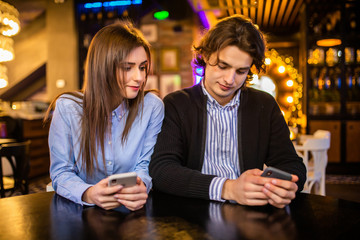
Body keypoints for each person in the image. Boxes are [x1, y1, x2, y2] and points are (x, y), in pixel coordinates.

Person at [149, 15, 306, 208]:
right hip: (193, 213)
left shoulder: (264, 105)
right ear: (205, 55)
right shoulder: (177, 104)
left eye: (241, 71)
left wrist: (286, 186)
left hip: (250, 214)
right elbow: (162, 170)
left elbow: (292, 164)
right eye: (222, 66)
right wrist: (228, 188)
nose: (230, 80)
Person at [45, 21, 164, 211]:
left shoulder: (151, 107)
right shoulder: (68, 108)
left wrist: (142, 185)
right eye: (127, 68)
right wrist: (89, 193)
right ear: (103, 68)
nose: (140, 78)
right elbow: (61, 172)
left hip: (132, 212)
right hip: (82, 214)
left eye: (142, 67)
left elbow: (145, 164)